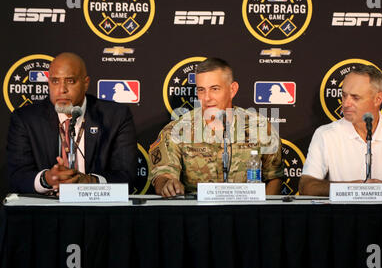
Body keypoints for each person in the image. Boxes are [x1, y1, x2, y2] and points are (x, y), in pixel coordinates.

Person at [149, 57, 283, 197]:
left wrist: (259, 212)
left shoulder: (260, 126)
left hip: (246, 213)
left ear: (232, 89)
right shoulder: (177, 130)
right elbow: (162, 176)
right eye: (201, 90)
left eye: (214, 89)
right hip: (196, 214)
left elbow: (274, 178)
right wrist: (167, 184)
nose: (207, 98)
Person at [7, 52, 137, 194]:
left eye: (70, 81)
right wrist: (47, 179)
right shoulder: (26, 119)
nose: (62, 89)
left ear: (86, 83)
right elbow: (16, 176)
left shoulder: (115, 117)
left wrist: (89, 182)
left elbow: (126, 178)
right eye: (55, 81)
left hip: (96, 211)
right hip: (45, 213)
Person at [299, 64, 382, 197]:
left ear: (378, 99)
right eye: (344, 95)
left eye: (355, 97)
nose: (345, 104)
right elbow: (307, 186)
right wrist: (352, 189)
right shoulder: (325, 134)